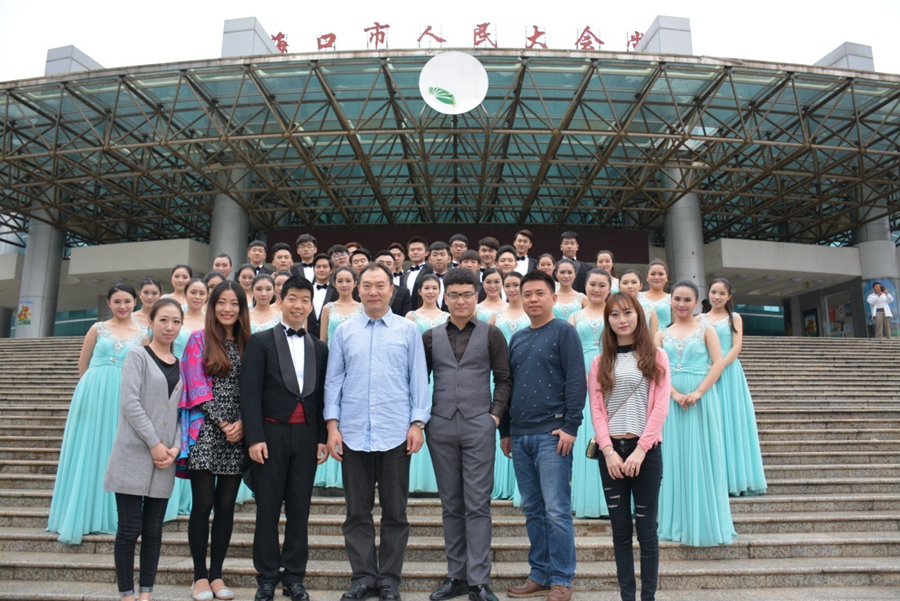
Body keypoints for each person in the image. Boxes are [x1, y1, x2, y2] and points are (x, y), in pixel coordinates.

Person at [324, 263, 430, 601]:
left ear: (391, 290)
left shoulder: (407, 330)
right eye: (367, 285)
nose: (373, 291)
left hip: (395, 432)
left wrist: (417, 423)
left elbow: (419, 379)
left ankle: (389, 580)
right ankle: (363, 577)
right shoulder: (344, 331)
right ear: (358, 289)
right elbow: (333, 381)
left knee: (395, 513)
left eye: (380, 285)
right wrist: (332, 425)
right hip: (353, 433)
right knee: (356, 512)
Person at [423, 268, 511, 601]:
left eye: (467, 295)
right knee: (451, 504)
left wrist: (494, 417)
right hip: (441, 425)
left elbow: (504, 379)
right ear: (444, 298)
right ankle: (456, 575)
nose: (460, 301)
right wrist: (424, 419)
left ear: (477, 296)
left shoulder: (492, 334)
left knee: (478, 504)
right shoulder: (430, 336)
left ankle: (479, 580)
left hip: (479, 424)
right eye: (454, 295)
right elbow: (417, 380)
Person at [240, 276, 330, 601]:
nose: (299, 305)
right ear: (281, 301)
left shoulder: (320, 347)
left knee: (299, 509)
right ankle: (266, 577)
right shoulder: (260, 341)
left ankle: (293, 577)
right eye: (293, 298)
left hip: (306, 435)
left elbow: (322, 396)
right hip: (270, 434)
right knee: (267, 508)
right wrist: (254, 438)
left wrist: (322, 437)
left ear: (311, 306)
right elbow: (249, 392)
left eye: (305, 300)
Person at [502, 271, 585, 601]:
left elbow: (576, 379)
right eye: (527, 294)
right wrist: (505, 430)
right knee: (533, 510)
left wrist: (571, 426)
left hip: (553, 435)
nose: (533, 299)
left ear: (553, 298)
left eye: (539, 293)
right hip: (520, 436)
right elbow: (508, 385)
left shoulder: (564, 331)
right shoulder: (517, 338)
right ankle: (539, 574)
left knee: (556, 511)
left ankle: (562, 578)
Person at [48, 284, 145, 544]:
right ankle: (78, 513)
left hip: (123, 395)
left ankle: (110, 515)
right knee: (87, 448)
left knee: (113, 448)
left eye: (127, 301)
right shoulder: (97, 328)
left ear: (135, 301)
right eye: (117, 301)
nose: (122, 306)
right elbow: (83, 363)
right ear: (109, 303)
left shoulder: (143, 334)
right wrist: (88, 390)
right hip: (92, 392)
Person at [588, 292, 670, 601]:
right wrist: (608, 451)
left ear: (638, 315)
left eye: (627, 313)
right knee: (620, 532)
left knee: (646, 532)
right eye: (614, 315)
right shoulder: (600, 361)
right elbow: (597, 410)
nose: (622, 320)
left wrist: (641, 449)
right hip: (611, 454)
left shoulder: (657, 356)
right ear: (607, 321)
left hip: (645, 452)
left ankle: (648, 597)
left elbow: (660, 407)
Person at [104, 298, 184, 601]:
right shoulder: (137, 355)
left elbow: (183, 412)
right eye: (163, 320)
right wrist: (154, 443)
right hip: (133, 453)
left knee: (153, 531)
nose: (169, 327)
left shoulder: (182, 365)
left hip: (165, 461)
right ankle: (127, 594)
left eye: (175, 321)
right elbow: (130, 403)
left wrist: (174, 448)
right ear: (150, 322)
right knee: (129, 530)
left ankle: (146, 594)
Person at [177, 280, 251, 600]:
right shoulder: (199, 339)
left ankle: (217, 575)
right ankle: (199, 577)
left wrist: (242, 423)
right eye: (222, 302)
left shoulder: (250, 343)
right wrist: (224, 422)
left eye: (234, 303)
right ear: (213, 305)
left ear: (242, 308)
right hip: (206, 430)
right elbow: (195, 385)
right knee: (203, 503)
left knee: (225, 506)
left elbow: (256, 387)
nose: (227, 309)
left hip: (238, 431)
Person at [654, 281, 734, 547]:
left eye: (687, 300)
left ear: (697, 303)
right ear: (671, 301)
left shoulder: (706, 330)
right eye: (677, 299)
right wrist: (674, 394)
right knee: (672, 458)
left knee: (703, 456)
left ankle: (705, 522)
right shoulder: (661, 335)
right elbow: (656, 371)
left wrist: (699, 391)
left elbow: (718, 364)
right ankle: (674, 523)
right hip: (670, 402)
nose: (681, 304)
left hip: (702, 400)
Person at [702, 278, 767, 497]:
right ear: (708, 293)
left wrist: (718, 367)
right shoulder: (700, 319)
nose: (717, 297)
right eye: (714, 292)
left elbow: (736, 346)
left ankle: (734, 479)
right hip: (705, 372)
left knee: (730, 421)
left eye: (722, 293)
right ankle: (712, 479)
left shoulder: (734, 317)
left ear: (729, 296)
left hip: (728, 373)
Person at [569, 269, 612, 519]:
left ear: (609, 288)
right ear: (585, 286)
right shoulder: (575, 316)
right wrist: (583, 376)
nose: (596, 289)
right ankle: (588, 501)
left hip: (612, 374)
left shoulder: (615, 312)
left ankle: (613, 501)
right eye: (592, 284)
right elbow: (568, 351)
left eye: (602, 285)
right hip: (581, 378)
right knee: (588, 433)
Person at [315, 266, 362, 489]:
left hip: (355, 367)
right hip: (332, 366)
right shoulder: (328, 308)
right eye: (340, 281)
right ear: (334, 283)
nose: (344, 284)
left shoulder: (362, 308)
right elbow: (322, 340)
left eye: (348, 280)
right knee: (332, 411)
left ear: (355, 283)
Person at [405, 273, 448, 495]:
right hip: (418, 375)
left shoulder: (447, 316)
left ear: (440, 291)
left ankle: (439, 479)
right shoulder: (411, 316)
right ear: (420, 291)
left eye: (434, 288)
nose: (431, 292)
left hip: (442, 375)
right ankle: (416, 480)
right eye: (427, 288)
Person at [488, 271, 529, 501]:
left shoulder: (531, 312)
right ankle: (500, 484)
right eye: (509, 285)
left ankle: (520, 488)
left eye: (516, 285)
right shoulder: (496, 316)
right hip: (499, 373)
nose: (512, 289)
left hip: (526, 372)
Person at [412, 241, 452, 310]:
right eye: (435, 255)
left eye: (442, 254)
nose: (439, 258)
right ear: (429, 259)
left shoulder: (456, 281)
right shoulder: (420, 281)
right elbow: (415, 306)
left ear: (449, 259)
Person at [620, 270, 659, 337]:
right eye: (625, 283)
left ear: (640, 286)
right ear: (619, 287)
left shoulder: (650, 313)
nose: (630, 286)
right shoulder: (612, 311)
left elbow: (654, 340)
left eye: (634, 282)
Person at [307, 254, 336, 342]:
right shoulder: (306, 290)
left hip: (330, 338)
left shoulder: (336, 291)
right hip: (308, 337)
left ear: (331, 270)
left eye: (325, 267)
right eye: (318, 267)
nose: (321, 270)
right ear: (314, 269)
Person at [374, 250, 413, 316]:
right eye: (381, 263)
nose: (384, 266)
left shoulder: (403, 293)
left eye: (388, 264)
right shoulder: (364, 290)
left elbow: (406, 317)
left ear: (394, 268)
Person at [638, 260, 671, 329]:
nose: (657, 277)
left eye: (661, 274)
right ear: (647, 277)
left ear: (666, 277)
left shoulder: (673, 298)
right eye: (653, 274)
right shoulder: (637, 296)